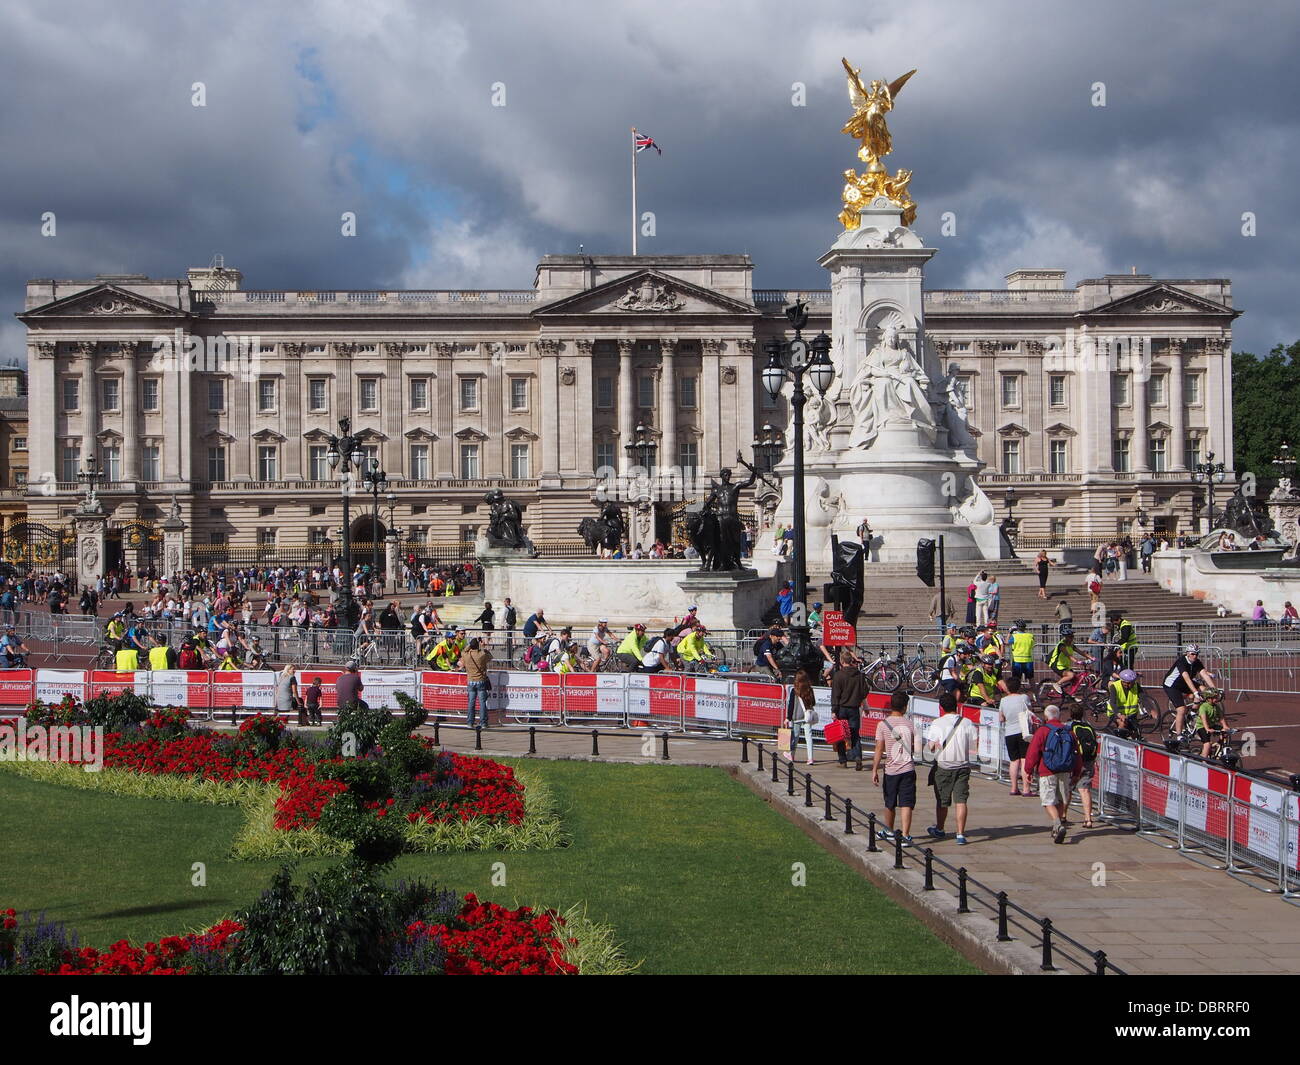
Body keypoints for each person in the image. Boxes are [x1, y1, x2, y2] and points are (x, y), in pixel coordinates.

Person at [1023, 704, 1082, 844]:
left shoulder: (1042, 731)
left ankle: (1057, 824)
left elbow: (1033, 753)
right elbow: (1077, 754)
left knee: (1047, 800)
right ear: (1059, 716)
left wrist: (1028, 770)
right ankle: (1058, 825)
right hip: (1065, 770)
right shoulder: (1069, 732)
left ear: (1045, 716)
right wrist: (1076, 772)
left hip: (1047, 770)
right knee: (1061, 799)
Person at [925, 691, 978, 845]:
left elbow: (931, 747)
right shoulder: (967, 722)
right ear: (957, 706)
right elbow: (974, 747)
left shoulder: (937, 723)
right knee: (961, 800)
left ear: (941, 707)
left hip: (944, 766)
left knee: (942, 800)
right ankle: (960, 833)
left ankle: (940, 829)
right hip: (962, 765)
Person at [872, 688, 917, 846]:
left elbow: (879, 748)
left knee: (889, 801)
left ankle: (889, 831)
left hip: (891, 769)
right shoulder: (910, 725)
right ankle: (905, 835)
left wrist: (874, 769)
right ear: (905, 707)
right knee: (906, 802)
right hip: (907, 768)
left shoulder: (883, 724)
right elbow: (916, 747)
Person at [1162, 644, 1216, 737]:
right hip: (1172, 685)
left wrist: (1214, 690)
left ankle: (1192, 713)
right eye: (1193, 654)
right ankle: (1179, 735)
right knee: (1182, 709)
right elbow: (1186, 678)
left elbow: (1204, 674)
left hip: (1184, 683)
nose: (1195, 656)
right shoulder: (1182, 661)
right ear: (1187, 653)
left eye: (1197, 654)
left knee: (1204, 690)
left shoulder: (1197, 662)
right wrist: (1195, 692)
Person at [829, 649, 867, 767]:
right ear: (851, 661)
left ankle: (843, 760)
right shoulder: (859, 675)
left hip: (841, 708)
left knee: (840, 735)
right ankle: (857, 757)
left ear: (841, 661)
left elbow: (835, 695)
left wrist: (834, 710)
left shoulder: (839, 675)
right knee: (855, 734)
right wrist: (859, 698)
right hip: (854, 708)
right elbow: (865, 691)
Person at [998, 674, 1035, 796]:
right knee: (1024, 760)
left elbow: (1001, 718)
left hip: (1009, 732)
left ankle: (1014, 788)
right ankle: (1026, 789)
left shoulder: (1003, 700)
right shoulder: (1024, 698)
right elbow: (1030, 711)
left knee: (1014, 761)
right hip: (1023, 732)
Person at [1068, 705, 1099, 828]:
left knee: (1068, 789)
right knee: (1085, 790)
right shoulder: (1089, 727)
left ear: (1071, 714)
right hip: (1088, 761)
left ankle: (1063, 815)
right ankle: (1088, 819)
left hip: (1075, 761)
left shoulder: (1068, 727)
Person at [784, 668, 817, 766]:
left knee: (795, 736)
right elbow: (813, 702)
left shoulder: (794, 691)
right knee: (809, 737)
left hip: (797, 717)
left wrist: (788, 718)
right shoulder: (810, 690)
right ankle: (810, 758)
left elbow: (791, 706)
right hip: (807, 716)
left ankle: (792, 755)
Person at [1106, 668, 1148, 735]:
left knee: (1136, 732)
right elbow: (1112, 703)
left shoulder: (1136, 686)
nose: (1132, 684)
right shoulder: (1115, 686)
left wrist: (1151, 709)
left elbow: (1144, 698)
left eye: (1133, 682)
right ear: (1123, 681)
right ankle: (1118, 740)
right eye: (1129, 683)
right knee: (1122, 724)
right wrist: (1120, 715)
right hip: (1116, 713)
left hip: (1130, 714)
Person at [463, 636, 493, 729]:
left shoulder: (466, 655)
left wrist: (471, 645)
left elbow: (464, 650)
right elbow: (490, 656)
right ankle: (483, 722)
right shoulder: (482, 655)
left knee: (471, 702)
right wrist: (482, 646)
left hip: (470, 681)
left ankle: (470, 722)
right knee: (482, 703)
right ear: (478, 646)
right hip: (480, 680)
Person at [1194, 688, 1228, 758]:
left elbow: (1221, 717)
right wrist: (1207, 729)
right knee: (1207, 744)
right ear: (1208, 698)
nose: (1217, 699)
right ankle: (1204, 761)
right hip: (1202, 726)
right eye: (1215, 697)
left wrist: (1225, 726)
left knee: (1225, 732)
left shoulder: (1216, 707)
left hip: (1211, 725)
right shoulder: (1203, 707)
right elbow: (1204, 720)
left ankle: (1217, 744)